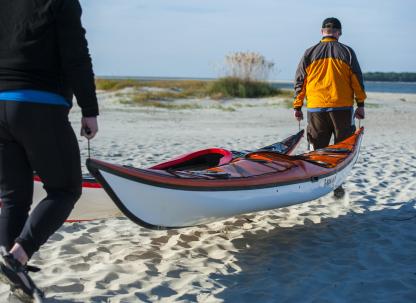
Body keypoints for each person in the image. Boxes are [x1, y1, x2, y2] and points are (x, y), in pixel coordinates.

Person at [0, 0, 99, 300]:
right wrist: (89, 109)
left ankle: (12, 272)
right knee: (66, 188)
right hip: (39, 105)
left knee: (12, 198)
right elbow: (76, 54)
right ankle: (17, 258)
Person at [293, 17, 366, 198]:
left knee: (318, 149)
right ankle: (337, 185)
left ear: (321, 31)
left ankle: (315, 185)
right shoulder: (347, 52)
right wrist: (361, 104)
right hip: (341, 107)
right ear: (339, 32)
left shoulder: (309, 52)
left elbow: (300, 81)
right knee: (341, 148)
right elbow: (357, 80)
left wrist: (297, 106)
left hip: (316, 107)